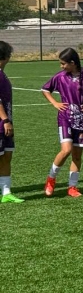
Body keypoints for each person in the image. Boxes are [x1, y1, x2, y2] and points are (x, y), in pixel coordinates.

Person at [42, 48, 83, 197]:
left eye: (63, 64)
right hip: (65, 118)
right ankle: (51, 179)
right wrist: (55, 103)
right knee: (66, 150)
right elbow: (45, 89)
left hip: (82, 120)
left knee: (77, 155)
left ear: (73, 63)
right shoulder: (60, 77)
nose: (61, 67)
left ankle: (72, 187)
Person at [0, 41, 21, 203]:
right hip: (2, 122)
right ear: (6, 57)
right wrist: (6, 120)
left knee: (7, 155)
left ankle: (6, 192)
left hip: (6, 122)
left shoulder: (2, 73)